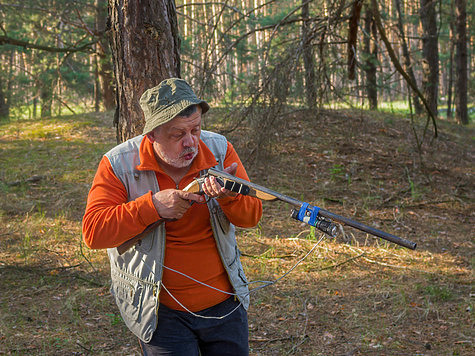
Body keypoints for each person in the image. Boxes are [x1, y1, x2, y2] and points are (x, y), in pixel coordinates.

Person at [82, 78, 262, 355]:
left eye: (195, 129)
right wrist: (152, 207)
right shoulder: (118, 163)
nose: (190, 142)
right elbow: (94, 232)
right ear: (151, 135)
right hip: (160, 311)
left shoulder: (219, 150)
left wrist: (229, 197)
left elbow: (251, 217)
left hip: (226, 304)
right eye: (177, 134)